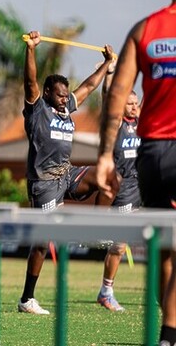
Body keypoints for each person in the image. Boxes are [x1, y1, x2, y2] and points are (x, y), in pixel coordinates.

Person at [96, 0, 176, 345]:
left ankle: (167, 334)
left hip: (153, 154)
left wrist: (101, 156)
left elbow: (117, 95)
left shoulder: (145, 29)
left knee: (164, 245)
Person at [18, 30, 115, 315]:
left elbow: (88, 87)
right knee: (41, 245)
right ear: (48, 93)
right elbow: (29, 81)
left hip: (66, 174)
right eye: (60, 96)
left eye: (65, 96)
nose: (65, 100)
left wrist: (106, 64)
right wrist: (31, 50)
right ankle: (27, 299)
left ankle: (97, 231)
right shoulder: (37, 110)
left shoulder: (66, 107)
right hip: (44, 183)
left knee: (105, 176)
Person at [97, 70, 141, 312]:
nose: (134, 108)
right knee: (119, 245)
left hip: (141, 188)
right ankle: (106, 292)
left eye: (136, 104)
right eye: (130, 104)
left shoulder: (141, 122)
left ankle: (162, 292)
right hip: (122, 189)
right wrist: (110, 72)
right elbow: (107, 98)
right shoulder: (115, 125)